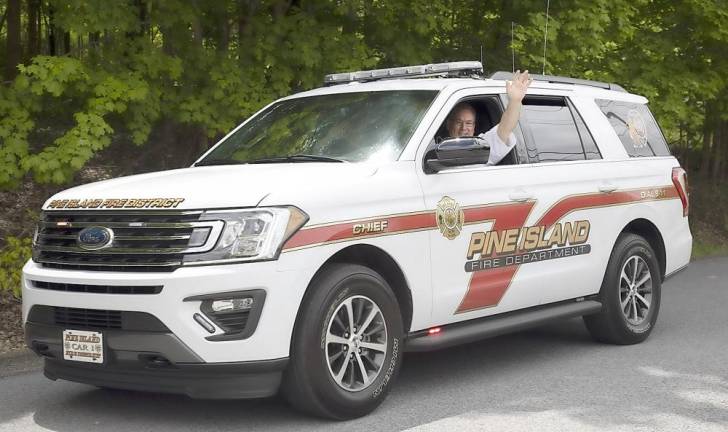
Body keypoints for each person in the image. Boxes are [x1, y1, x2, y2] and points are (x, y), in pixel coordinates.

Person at [445, 70, 532, 166]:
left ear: (474, 127)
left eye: (469, 123)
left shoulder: (481, 148)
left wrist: (515, 100)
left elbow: (506, 127)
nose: (463, 128)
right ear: (449, 124)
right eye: (458, 122)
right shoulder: (431, 147)